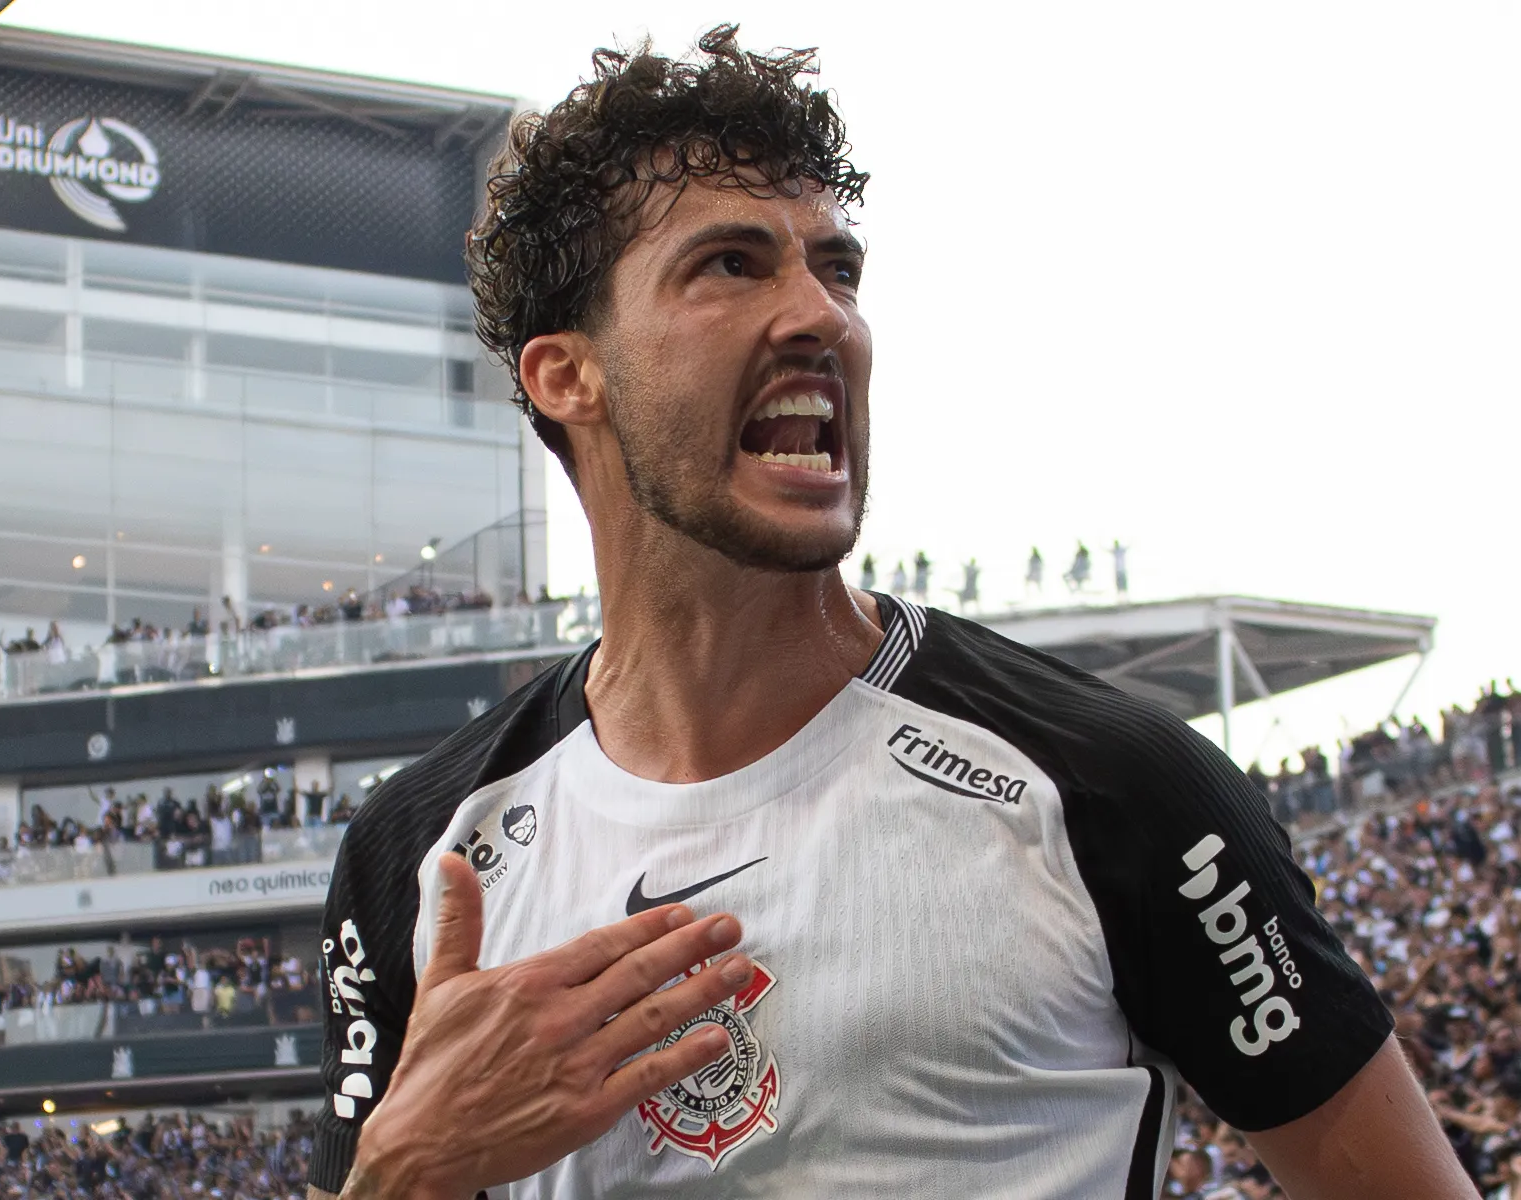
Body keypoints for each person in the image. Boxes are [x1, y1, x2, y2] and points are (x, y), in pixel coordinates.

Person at [307, 26, 1471, 1200]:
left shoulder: (1108, 785)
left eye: (838, 268)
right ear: (569, 374)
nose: (823, 316)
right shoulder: (420, 858)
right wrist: (403, 1172)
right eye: (731, 264)